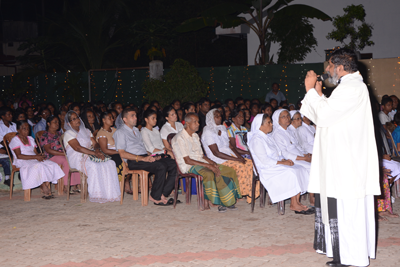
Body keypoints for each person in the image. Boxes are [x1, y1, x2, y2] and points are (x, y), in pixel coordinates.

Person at [301, 48, 380, 267]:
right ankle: (342, 254)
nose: (326, 70)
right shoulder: (348, 88)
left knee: (349, 211)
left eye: (329, 66)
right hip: (341, 160)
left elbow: (324, 115)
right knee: (340, 210)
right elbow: (331, 115)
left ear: (340, 67)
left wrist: (310, 91)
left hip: (347, 164)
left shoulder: (352, 87)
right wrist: (318, 96)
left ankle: (352, 258)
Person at [171, 113, 242, 212]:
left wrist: (212, 163)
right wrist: (208, 166)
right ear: (187, 123)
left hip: (200, 161)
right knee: (209, 173)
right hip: (188, 166)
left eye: (198, 122)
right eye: (195, 122)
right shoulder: (180, 138)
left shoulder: (195, 135)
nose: (198, 124)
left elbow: (201, 156)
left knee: (228, 170)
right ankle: (213, 201)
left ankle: (227, 201)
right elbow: (187, 160)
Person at [248, 114, 312, 214]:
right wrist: (282, 162)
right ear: (260, 125)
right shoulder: (257, 139)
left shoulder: (268, 137)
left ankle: (296, 202)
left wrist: (284, 160)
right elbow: (264, 160)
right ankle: (293, 204)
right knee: (292, 172)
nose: (272, 124)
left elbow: (278, 153)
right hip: (267, 168)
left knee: (300, 168)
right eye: (269, 122)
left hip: (275, 164)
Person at [113, 107, 177, 205]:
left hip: (143, 157)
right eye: (132, 116)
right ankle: (155, 196)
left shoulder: (136, 130)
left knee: (174, 164)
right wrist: (142, 158)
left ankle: (163, 193)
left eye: (135, 115)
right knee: (161, 166)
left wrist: (153, 155)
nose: (135, 118)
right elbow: (122, 153)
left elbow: (142, 149)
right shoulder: (120, 132)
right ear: (125, 119)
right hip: (133, 161)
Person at [201, 109, 257, 203]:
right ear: (211, 118)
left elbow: (231, 146)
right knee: (240, 166)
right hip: (218, 159)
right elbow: (216, 152)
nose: (220, 117)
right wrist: (236, 159)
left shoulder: (222, 128)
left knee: (250, 164)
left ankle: (250, 193)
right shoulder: (208, 131)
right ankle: (240, 192)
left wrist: (239, 157)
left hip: (229, 155)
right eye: (217, 116)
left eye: (220, 115)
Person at [63, 111, 121, 203]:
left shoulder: (86, 131)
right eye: (73, 119)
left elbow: (95, 143)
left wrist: (97, 150)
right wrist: (94, 154)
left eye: (77, 117)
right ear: (68, 123)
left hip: (91, 153)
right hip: (77, 157)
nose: (77, 120)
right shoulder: (68, 133)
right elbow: (77, 148)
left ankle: (110, 193)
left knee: (110, 163)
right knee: (94, 165)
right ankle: (97, 195)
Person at [10, 120, 64, 199]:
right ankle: (44, 186)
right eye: (24, 129)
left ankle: (46, 184)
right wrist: (35, 157)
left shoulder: (30, 138)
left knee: (52, 164)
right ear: (18, 130)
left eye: (28, 129)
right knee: (38, 165)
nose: (27, 131)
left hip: (33, 158)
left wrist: (39, 156)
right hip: (22, 160)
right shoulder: (15, 140)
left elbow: (35, 153)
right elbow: (19, 156)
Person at [39, 116, 81, 194]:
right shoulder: (45, 135)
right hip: (51, 156)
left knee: (75, 158)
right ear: (48, 124)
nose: (57, 124)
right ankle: (66, 186)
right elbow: (48, 150)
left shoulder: (60, 134)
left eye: (58, 122)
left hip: (63, 154)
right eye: (54, 122)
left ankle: (76, 185)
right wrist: (64, 154)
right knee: (66, 161)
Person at [96, 111, 132, 194]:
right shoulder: (101, 133)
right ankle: (120, 185)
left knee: (132, 159)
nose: (112, 119)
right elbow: (105, 150)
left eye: (112, 118)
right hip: (110, 154)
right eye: (110, 118)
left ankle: (126, 181)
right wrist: (120, 152)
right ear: (104, 120)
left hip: (118, 151)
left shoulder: (115, 130)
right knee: (120, 159)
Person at [0, 107, 17, 185]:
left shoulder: (14, 125)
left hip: (14, 146)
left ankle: (21, 173)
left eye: (11, 114)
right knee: (5, 154)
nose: (11, 116)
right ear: (3, 116)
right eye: (8, 114)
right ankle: (7, 178)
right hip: (4, 147)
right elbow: (3, 142)